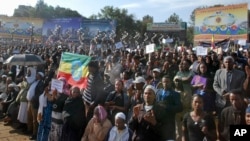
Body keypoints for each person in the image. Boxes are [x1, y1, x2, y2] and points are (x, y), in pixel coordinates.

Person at [156, 75, 183, 140]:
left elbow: (179, 108)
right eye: (164, 82)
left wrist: (166, 107)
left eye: (167, 82)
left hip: (169, 122)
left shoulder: (175, 94)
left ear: (171, 82)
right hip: (158, 121)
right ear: (162, 82)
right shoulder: (158, 92)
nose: (165, 83)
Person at [26, 71, 45, 140]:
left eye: (37, 75)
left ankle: (35, 134)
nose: (36, 75)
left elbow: (39, 94)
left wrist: (33, 99)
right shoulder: (34, 81)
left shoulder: (41, 84)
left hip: (35, 103)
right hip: (30, 102)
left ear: (40, 76)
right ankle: (29, 130)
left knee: (34, 120)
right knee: (29, 117)